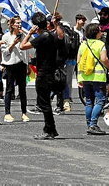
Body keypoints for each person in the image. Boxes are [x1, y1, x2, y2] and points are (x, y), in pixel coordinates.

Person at [18, 12, 67, 140]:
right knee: (46, 103)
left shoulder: (43, 37)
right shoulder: (50, 35)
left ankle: (49, 130)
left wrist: (29, 34)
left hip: (44, 73)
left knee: (44, 103)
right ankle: (52, 129)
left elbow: (22, 46)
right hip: (50, 71)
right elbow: (60, 36)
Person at [77, 23, 109, 135]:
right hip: (98, 77)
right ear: (96, 33)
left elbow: (79, 61)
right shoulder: (100, 44)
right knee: (100, 100)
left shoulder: (83, 44)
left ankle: (89, 123)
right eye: (100, 31)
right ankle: (93, 124)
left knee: (89, 101)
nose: (102, 33)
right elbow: (104, 59)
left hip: (85, 76)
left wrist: (79, 77)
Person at [0, 17, 29, 123]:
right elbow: (5, 52)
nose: (19, 25)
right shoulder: (6, 36)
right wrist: (13, 43)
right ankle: (7, 113)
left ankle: (24, 113)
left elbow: (26, 52)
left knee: (22, 89)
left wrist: (27, 65)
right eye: (17, 23)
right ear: (12, 25)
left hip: (21, 64)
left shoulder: (23, 35)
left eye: (20, 23)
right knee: (9, 89)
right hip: (11, 65)